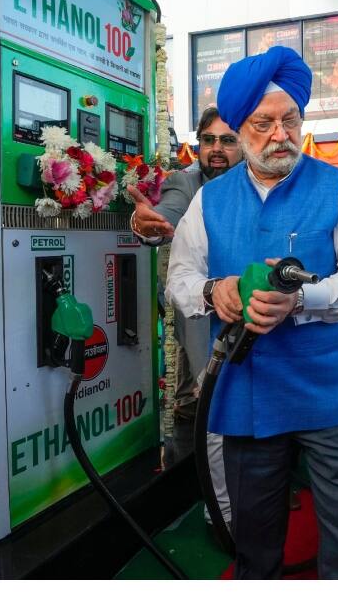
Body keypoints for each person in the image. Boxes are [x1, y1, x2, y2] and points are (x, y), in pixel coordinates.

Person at [166, 46, 338, 579]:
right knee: (255, 542)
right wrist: (215, 291)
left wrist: (300, 300)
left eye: (290, 120)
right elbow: (180, 280)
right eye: (263, 124)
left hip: (332, 391)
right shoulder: (209, 201)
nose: (280, 135)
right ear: (240, 129)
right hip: (248, 393)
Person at [129, 106, 242, 524]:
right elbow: (165, 215)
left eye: (227, 140)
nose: (216, 149)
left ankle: (265, 486)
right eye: (208, 141)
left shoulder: (264, 184)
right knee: (215, 408)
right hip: (204, 317)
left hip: (262, 313)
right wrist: (146, 224)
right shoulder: (185, 183)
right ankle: (222, 513)